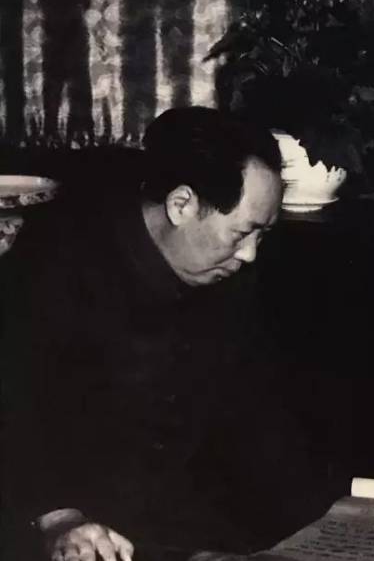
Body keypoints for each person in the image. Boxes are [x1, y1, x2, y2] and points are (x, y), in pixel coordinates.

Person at [1, 107, 347, 561]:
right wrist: (59, 517)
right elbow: (16, 414)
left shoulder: (227, 276)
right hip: (64, 527)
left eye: (262, 236)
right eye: (242, 233)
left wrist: (332, 521)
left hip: (174, 525)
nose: (250, 255)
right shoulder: (52, 262)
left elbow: (259, 418)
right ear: (182, 204)